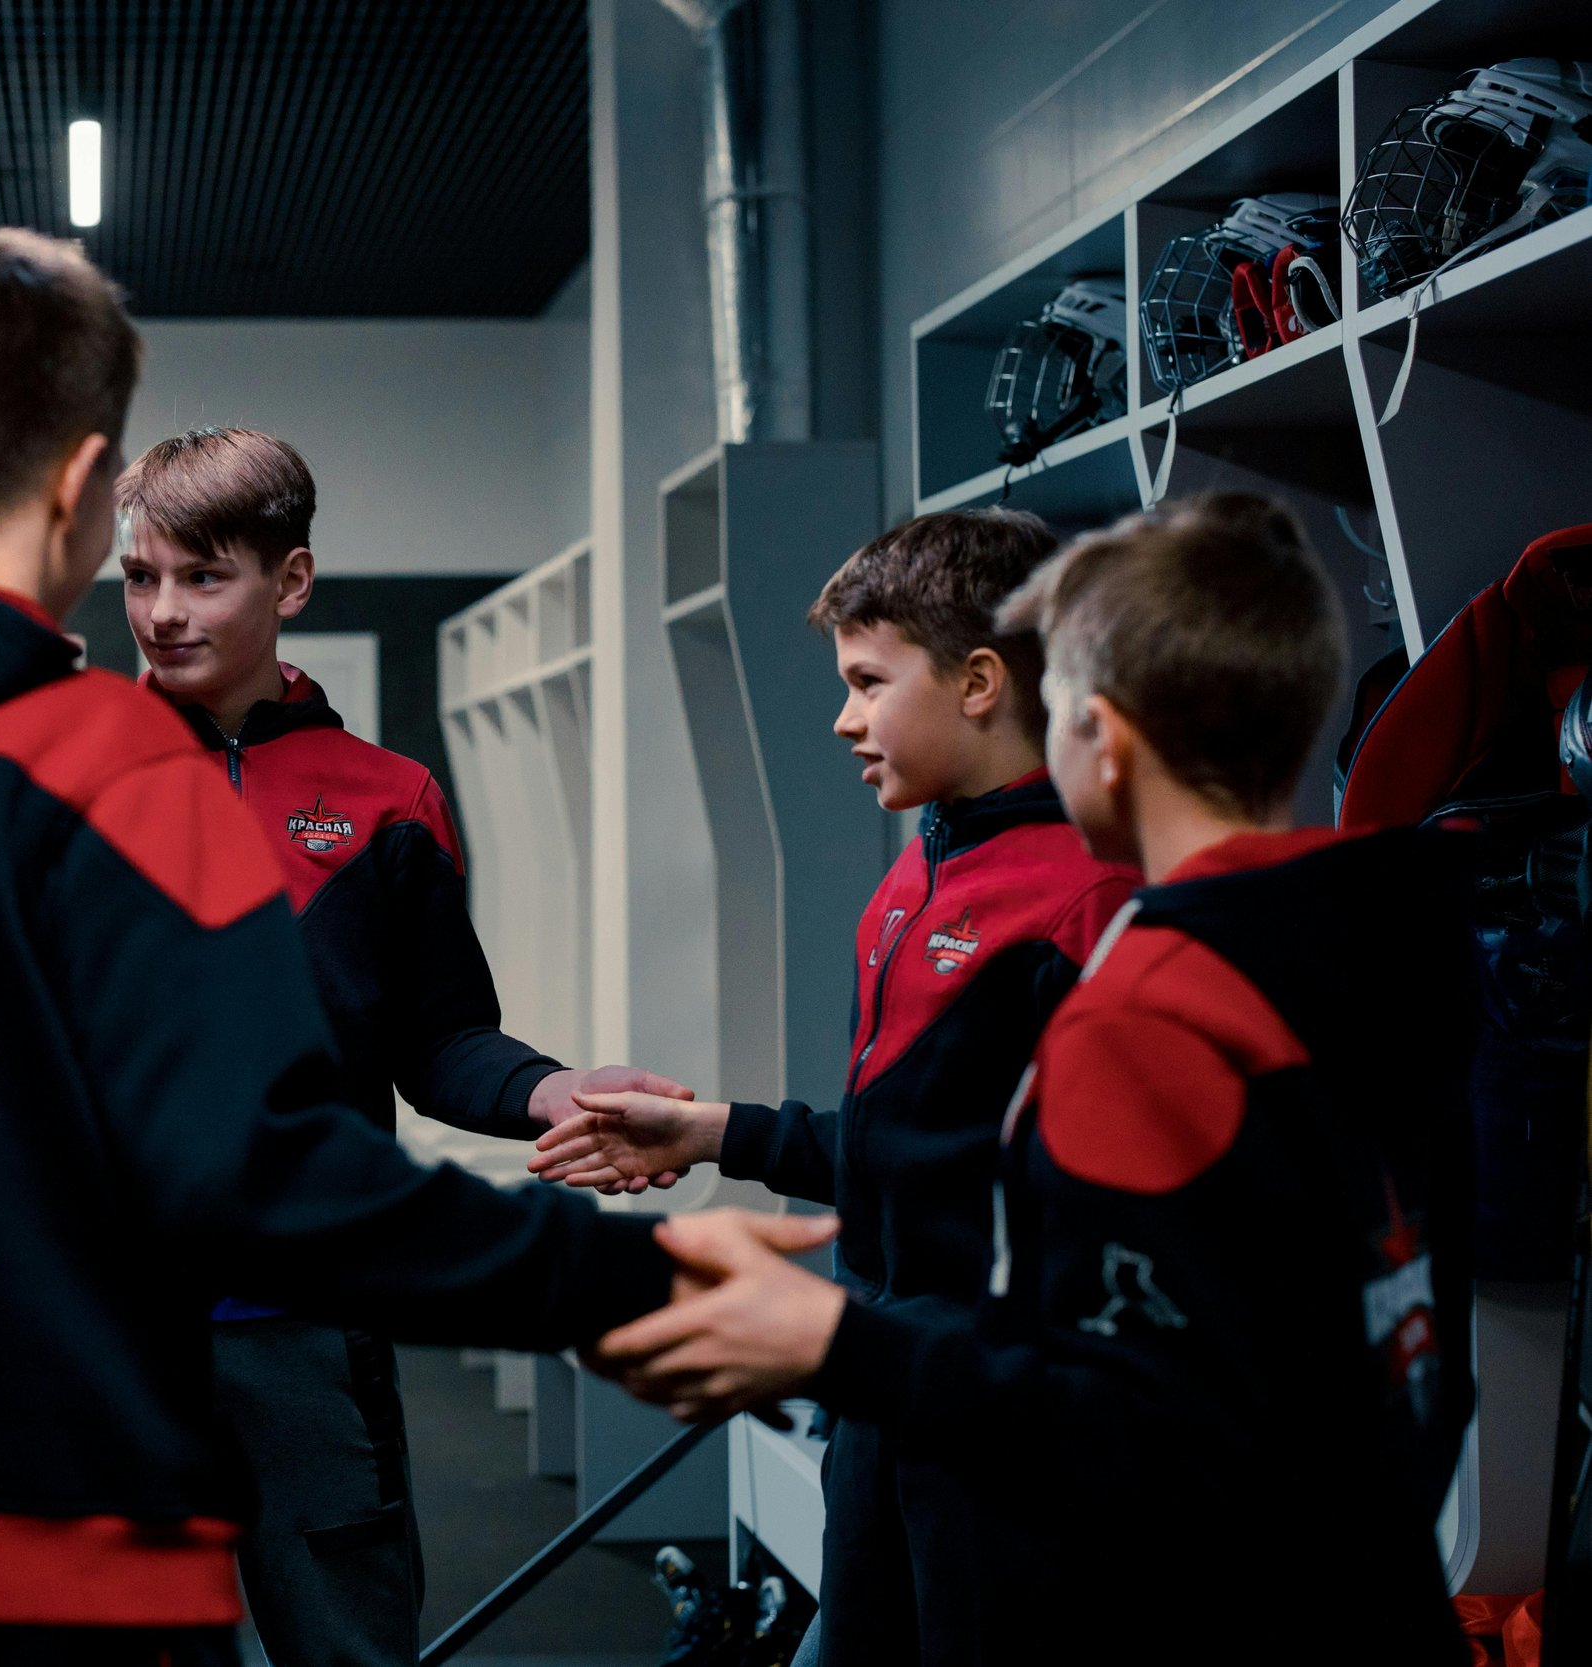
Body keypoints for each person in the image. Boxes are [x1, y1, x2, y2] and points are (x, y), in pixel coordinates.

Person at [0, 228, 799, 1665]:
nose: (159, 608)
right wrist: (640, 1282)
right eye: (144, 564)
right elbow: (267, 1173)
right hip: (61, 1536)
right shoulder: (98, 769)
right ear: (84, 485)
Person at [598, 495, 1476, 1666]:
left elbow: (1121, 1410)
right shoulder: (1365, 946)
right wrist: (730, 1139)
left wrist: (829, 1341)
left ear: (1096, 736)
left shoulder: (1147, 994)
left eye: (1053, 698)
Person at [115, 425, 694, 1667]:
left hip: (307, 1313)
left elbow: (437, 1037)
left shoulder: (385, 797)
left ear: (293, 581)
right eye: (140, 576)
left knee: (348, 1646)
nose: (161, 612)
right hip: (104, 1319)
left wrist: (548, 1086)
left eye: (202, 576)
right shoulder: (59, 779)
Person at [531, 508, 1133, 1666]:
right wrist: (715, 1131)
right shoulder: (922, 864)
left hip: (996, 1427)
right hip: (879, 1386)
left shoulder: (1083, 899)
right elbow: (908, 1143)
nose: (843, 717)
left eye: (868, 681)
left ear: (978, 680)